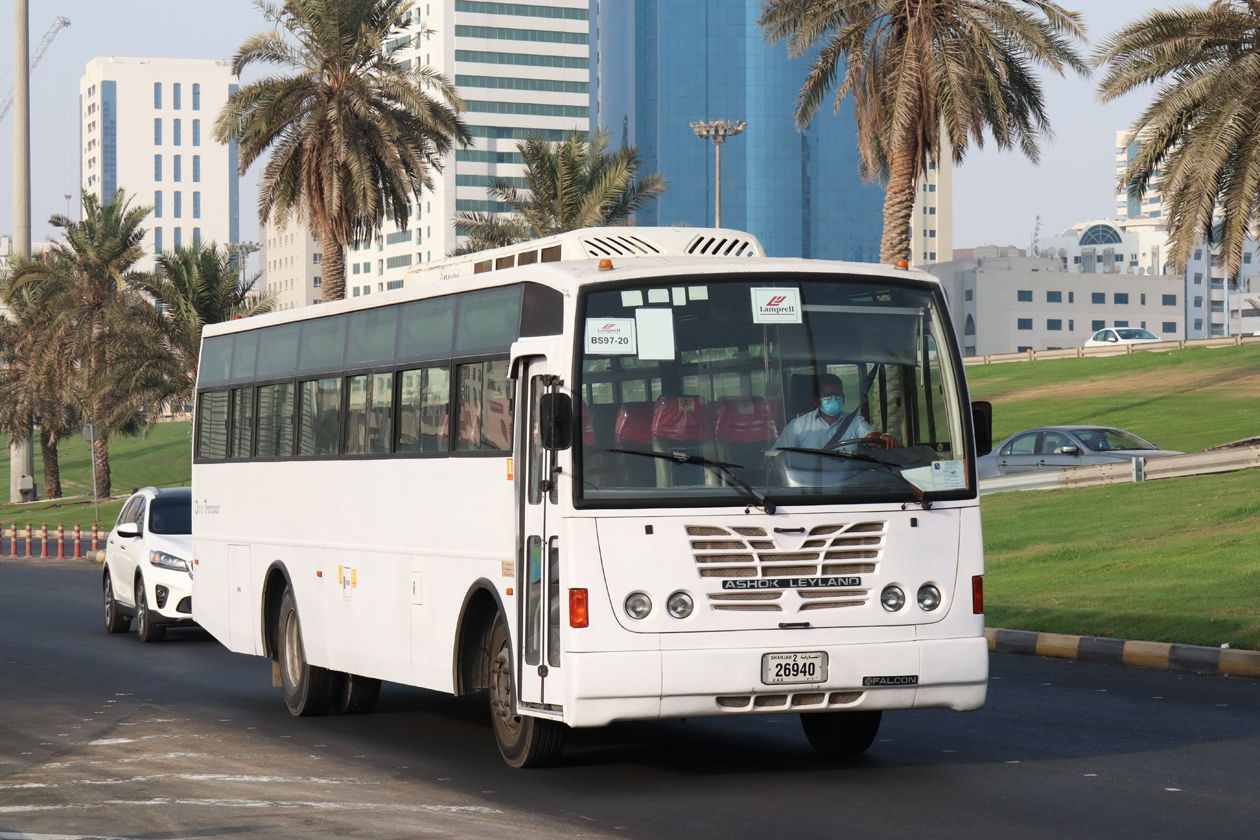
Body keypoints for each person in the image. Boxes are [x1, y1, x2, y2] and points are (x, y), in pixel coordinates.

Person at [775, 373, 897, 451]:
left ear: (843, 399)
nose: (833, 398)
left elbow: (869, 436)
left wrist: (882, 437)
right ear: (817, 401)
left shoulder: (855, 422)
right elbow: (779, 456)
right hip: (809, 487)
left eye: (837, 394)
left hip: (848, 486)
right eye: (827, 395)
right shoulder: (797, 426)